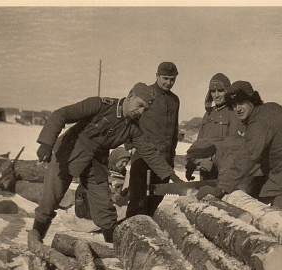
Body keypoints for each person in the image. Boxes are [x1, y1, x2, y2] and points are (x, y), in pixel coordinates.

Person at [30, 82, 182, 244]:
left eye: (145, 109)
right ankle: (35, 238)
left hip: (96, 162)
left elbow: (150, 153)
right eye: (139, 106)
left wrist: (171, 175)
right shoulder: (100, 105)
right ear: (130, 96)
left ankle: (115, 245)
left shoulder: (133, 128)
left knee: (104, 207)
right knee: (50, 201)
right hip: (68, 153)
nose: (141, 112)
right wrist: (46, 143)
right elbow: (61, 114)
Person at [197, 81, 282, 231]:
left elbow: (248, 157)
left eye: (242, 102)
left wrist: (221, 188)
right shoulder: (272, 108)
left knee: (279, 229)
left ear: (252, 100)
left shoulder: (258, 123)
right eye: (234, 104)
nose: (238, 108)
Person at [126, 62, 181, 218]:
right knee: (137, 201)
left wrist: (171, 156)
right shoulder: (146, 93)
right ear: (157, 76)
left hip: (164, 160)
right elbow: (131, 118)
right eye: (165, 78)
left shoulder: (175, 100)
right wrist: (130, 146)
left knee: (156, 200)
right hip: (143, 157)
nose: (168, 83)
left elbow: (174, 131)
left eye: (172, 79)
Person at [185, 73, 244, 181]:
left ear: (227, 91)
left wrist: (213, 161)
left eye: (220, 91)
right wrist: (191, 161)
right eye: (213, 91)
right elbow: (200, 142)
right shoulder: (208, 114)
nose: (216, 95)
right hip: (205, 172)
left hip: (223, 174)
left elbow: (234, 146)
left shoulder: (234, 113)